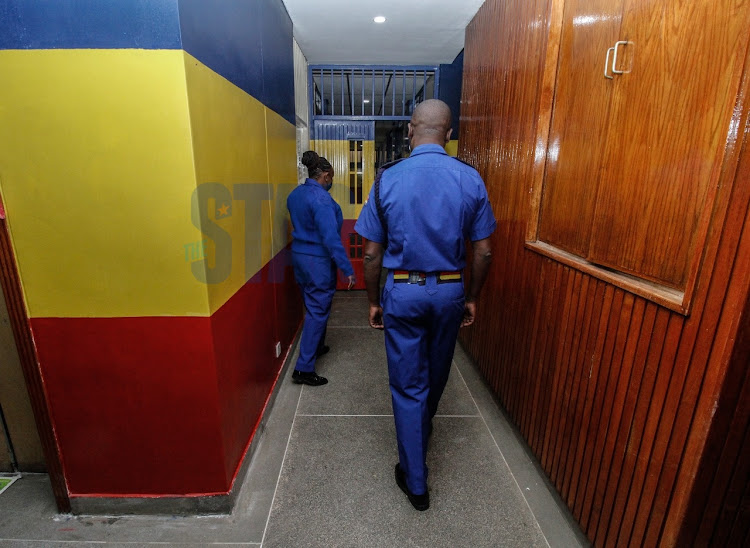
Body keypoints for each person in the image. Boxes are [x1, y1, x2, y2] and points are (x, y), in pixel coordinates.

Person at [354, 99, 496, 510]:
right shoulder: (470, 179)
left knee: (407, 382)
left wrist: (373, 300)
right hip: (450, 290)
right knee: (435, 372)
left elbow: (370, 254)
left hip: (403, 290)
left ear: (411, 131)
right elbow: (484, 252)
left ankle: (416, 481)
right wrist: (472, 297)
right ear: (448, 134)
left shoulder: (386, 179)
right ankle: (421, 429)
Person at [287, 150, 355, 386]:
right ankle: (304, 369)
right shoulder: (322, 200)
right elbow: (331, 239)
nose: (331, 181)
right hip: (317, 262)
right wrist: (347, 268)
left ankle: (317, 345)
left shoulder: (295, 195)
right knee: (318, 311)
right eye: (331, 177)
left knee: (313, 305)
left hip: (299, 258)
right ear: (325, 175)